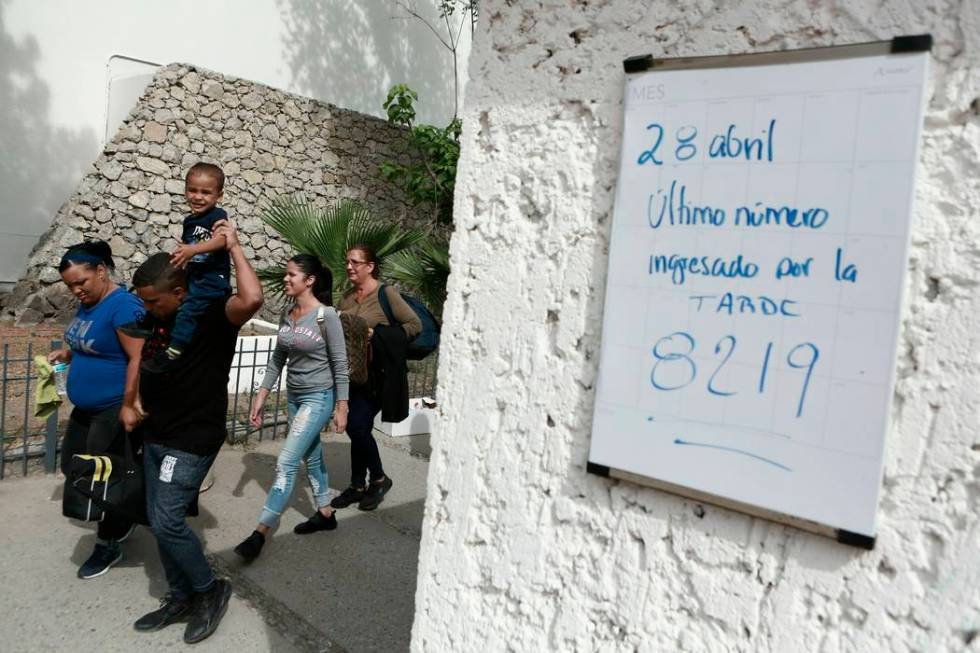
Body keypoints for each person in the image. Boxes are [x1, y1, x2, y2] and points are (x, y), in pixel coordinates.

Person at [131, 219, 262, 644]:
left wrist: (235, 246)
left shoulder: (211, 315)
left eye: (153, 302)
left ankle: (209, 590)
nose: (147, 309)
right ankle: (180, 596)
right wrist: (131, 401)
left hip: (192, 436)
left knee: (167, 520)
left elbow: (253, 298)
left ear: (180, 293)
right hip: (156, 432)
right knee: (156, 517)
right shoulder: (159, 317)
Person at [233, 254, 350, 561]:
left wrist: (342, 406)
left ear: (309, 280)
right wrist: (261, 395)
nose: (285, 279)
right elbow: (277, 359)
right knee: (312, 456)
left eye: (291, 275)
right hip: (295, 397)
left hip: (319, 398)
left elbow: (340, 364)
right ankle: (325, 512)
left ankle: (261, 530)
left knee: (286, 462)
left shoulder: (327, 316)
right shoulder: (289, 312)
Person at [49, 241, 146, 579]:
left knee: (105, 479)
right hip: (87, 409)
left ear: (101, 271)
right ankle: (125, 518)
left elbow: (137, 356)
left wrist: (130, 403)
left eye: (81, 282)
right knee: (72, 465)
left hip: (112, 409)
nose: (76, 290)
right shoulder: (89, 304)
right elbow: (93, 344)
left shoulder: (124, 307)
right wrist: (68, 354)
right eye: (70, 285)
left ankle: (110, 542)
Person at [332, 244, 420, 512]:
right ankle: (358, 485)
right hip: (353, 375)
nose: (349, 266)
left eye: (355, 262)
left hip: (380, 375)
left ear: (370, 267)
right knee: (359, 428)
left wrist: (377, 335)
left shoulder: (386, 294)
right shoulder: (346, 298)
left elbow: (415, 326)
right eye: (347, 261)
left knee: (357, 425)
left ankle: (379, 479)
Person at [151, 162, 231, 366]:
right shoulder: (189, 221)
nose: (197, 196)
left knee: (190, 309)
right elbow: (189, 250)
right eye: (192, 190)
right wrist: (181, 257)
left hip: (212, 279)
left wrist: (192, 250)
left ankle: (175, 348)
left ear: (219, 196)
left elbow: (222, 240)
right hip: (194, 276)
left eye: (206, 192)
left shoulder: (218, 216)